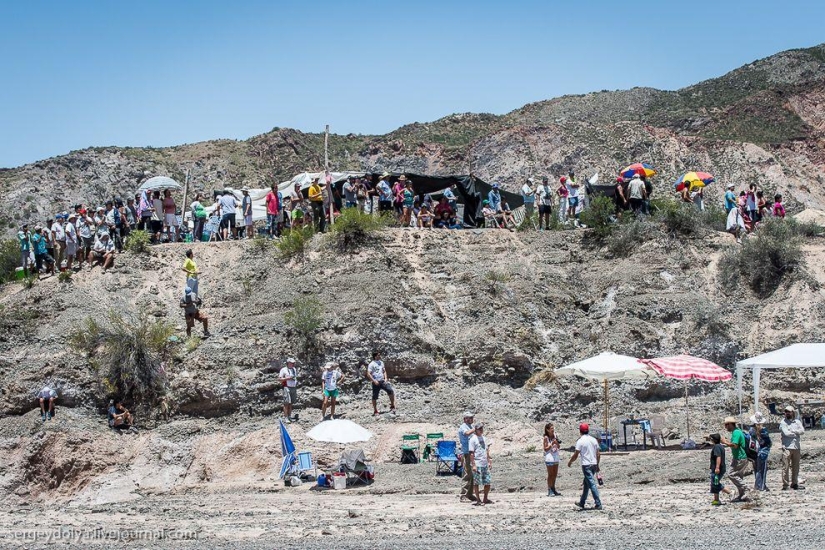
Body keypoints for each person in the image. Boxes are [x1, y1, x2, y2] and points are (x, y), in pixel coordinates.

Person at [568, 423, 602, 510]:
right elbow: (598, 454)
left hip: (586, 465)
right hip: (594, 464)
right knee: (587, 483)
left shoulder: (580, 441)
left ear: (580, 431)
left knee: (591, 484)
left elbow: (576, 455)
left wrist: (570, 462)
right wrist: (597, 464)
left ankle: (598, 503)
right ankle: (582, 502)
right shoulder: (594, 440)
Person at [721, 416, 748, 501]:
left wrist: (725, 442)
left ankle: (746, 488)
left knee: (731, 474)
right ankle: (742, 495)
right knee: (739, 476)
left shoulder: (736, 433)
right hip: (740, 457)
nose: (725, 427)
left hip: (739, 457)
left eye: (726, 425)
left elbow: (735, 445)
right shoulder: (737, 432)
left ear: (730, 424)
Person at [779, 405, 804, 490]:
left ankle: (794, 483)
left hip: (796, 447)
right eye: (786, 412)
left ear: (792, 412)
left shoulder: (797, 422)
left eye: (788, 412)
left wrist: (794, 431)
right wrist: (796, 433)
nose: (787, 413)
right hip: (787, 447)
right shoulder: (783, 422)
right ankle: (785, 485)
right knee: (785, 467)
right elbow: (786, 433)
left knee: (795, 466)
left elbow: (802, 431)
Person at [468, 423, 492, 506]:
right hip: (477, 463)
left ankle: (485, 498)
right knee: (477, 482)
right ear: (476, 430)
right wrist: (473, 464)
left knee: (487, 482)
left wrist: (489, 461)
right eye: (479, 429)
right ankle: (478, 499)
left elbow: (487, 450)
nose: (481, 430)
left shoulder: (484, 439)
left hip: (484, 462)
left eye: (482, 428)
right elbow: (471, 453)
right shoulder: (472, 439)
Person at [367, 352, 396, 416]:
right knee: (374, 396)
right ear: (375, 356)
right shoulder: (371, 364)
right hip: (376, 382)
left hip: (382, 381)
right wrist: (374, 381)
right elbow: (368, 374)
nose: (380, 356)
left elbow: (384, 371)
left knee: (390, 391)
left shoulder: (381, 362)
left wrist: (385, 378)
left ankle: (392, 406)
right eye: (378, 355)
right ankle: (375, 410)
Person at [749, 412, 771, 491]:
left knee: (757, 469)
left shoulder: (751, 430)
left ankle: (758, 485)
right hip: (763, 452)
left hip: (754, 452)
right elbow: (768, 442)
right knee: (762, 470)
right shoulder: (763, 430)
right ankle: (761, 486)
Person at [458, 412, 477, 502]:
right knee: (467, 474)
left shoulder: (469, 427)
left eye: (472, 417)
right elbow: (467, 433)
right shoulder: (463, 427)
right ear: (465, 419)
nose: (471, 419)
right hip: (466, 453)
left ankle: (470, 494)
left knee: (472, 474)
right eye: (469, 418)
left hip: (471, 452)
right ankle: (464, 495)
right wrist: (475, 429)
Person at [708, 433, 731, 505]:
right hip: (720, 467)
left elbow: (718, 457)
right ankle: (716, 500)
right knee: (714, 482)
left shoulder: (717, 447)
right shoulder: (720, 446)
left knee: (715, 483)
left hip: (718, 468)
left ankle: (729, 492)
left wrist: (717, 467)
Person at [543, 423, 562, 496]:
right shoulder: (546, 438)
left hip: (556, 456)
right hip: (549, 457)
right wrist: (551, 444)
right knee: (550, 474)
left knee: (555, 474)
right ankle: (549, 489)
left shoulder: (555, 436)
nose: (553, 430)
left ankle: (553, 488)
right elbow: (545, 448)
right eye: (551, 428)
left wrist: (556, 443)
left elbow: (558, 446)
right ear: (547, 430)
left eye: (553, 428)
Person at [279, 358, 299, 422]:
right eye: (291, 363)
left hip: (293, 387)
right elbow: (280, 379)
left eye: (293, 363)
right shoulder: (283, 370)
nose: (293, 364)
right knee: (286, 403)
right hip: (287, 387)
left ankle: (289, 416)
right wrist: (288, 378)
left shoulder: (294, 369)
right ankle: (286, 417)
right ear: (288, 363)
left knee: (291, 403)